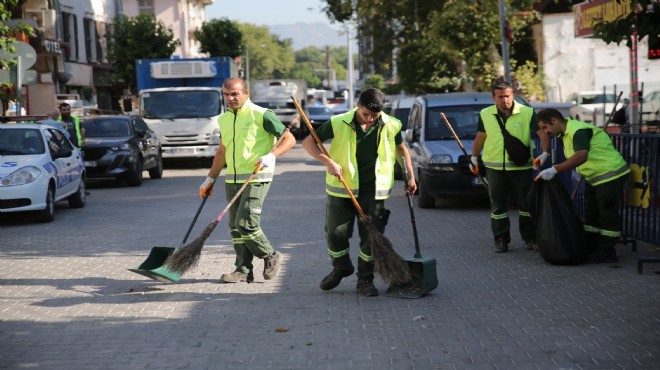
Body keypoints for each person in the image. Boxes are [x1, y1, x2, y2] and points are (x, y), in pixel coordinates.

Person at [301, 88, 416, 297]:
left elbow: (401, 148)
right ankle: (341, 267)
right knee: (336, 234)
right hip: (341, 189)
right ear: (357, 105)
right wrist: (328, 162)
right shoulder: (338, 122)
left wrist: (410, 174)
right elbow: (308, 143)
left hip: (374, 192)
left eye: (375, 115)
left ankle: (365, 280)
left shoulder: (392, 124)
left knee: (371, 239)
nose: (370, 119)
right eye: (366, 114)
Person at [199, 78, 296, 283]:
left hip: (257, 177)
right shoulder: (224, 119)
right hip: (232, 178)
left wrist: (272, 155)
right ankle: (242, 270)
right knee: (235, 226)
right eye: (226, 94)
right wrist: (210, 179)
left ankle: (271, 255)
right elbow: (223, 150)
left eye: (235, 94)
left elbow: (290, 139)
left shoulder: (262, 115)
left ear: (246, 93)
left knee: (246, 223)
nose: (230, 98)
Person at [535, 108, 630, 263]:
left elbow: (581, 156)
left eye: (545, 127)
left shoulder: (578, 131)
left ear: (554, 121)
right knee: (592, 214)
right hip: (595, 177)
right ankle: (591, 245)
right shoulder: (563, 134)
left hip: (611, 174)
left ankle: (607, 250)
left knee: (607, 213)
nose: (545, 132)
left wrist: (555, 169)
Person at [470, 80, 550, 253]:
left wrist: (544, 153)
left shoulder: (527, 112)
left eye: (507, 96)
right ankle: (501, 240)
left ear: (513, 95)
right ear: (493, 98)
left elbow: (542, 134)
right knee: (498, 207)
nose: (504, 100)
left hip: (521, 167)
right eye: (500, 97)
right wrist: (474, 158)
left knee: (526, 205)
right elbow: (480, 138)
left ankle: (530, 238)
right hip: (494, 168)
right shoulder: (485, 114)